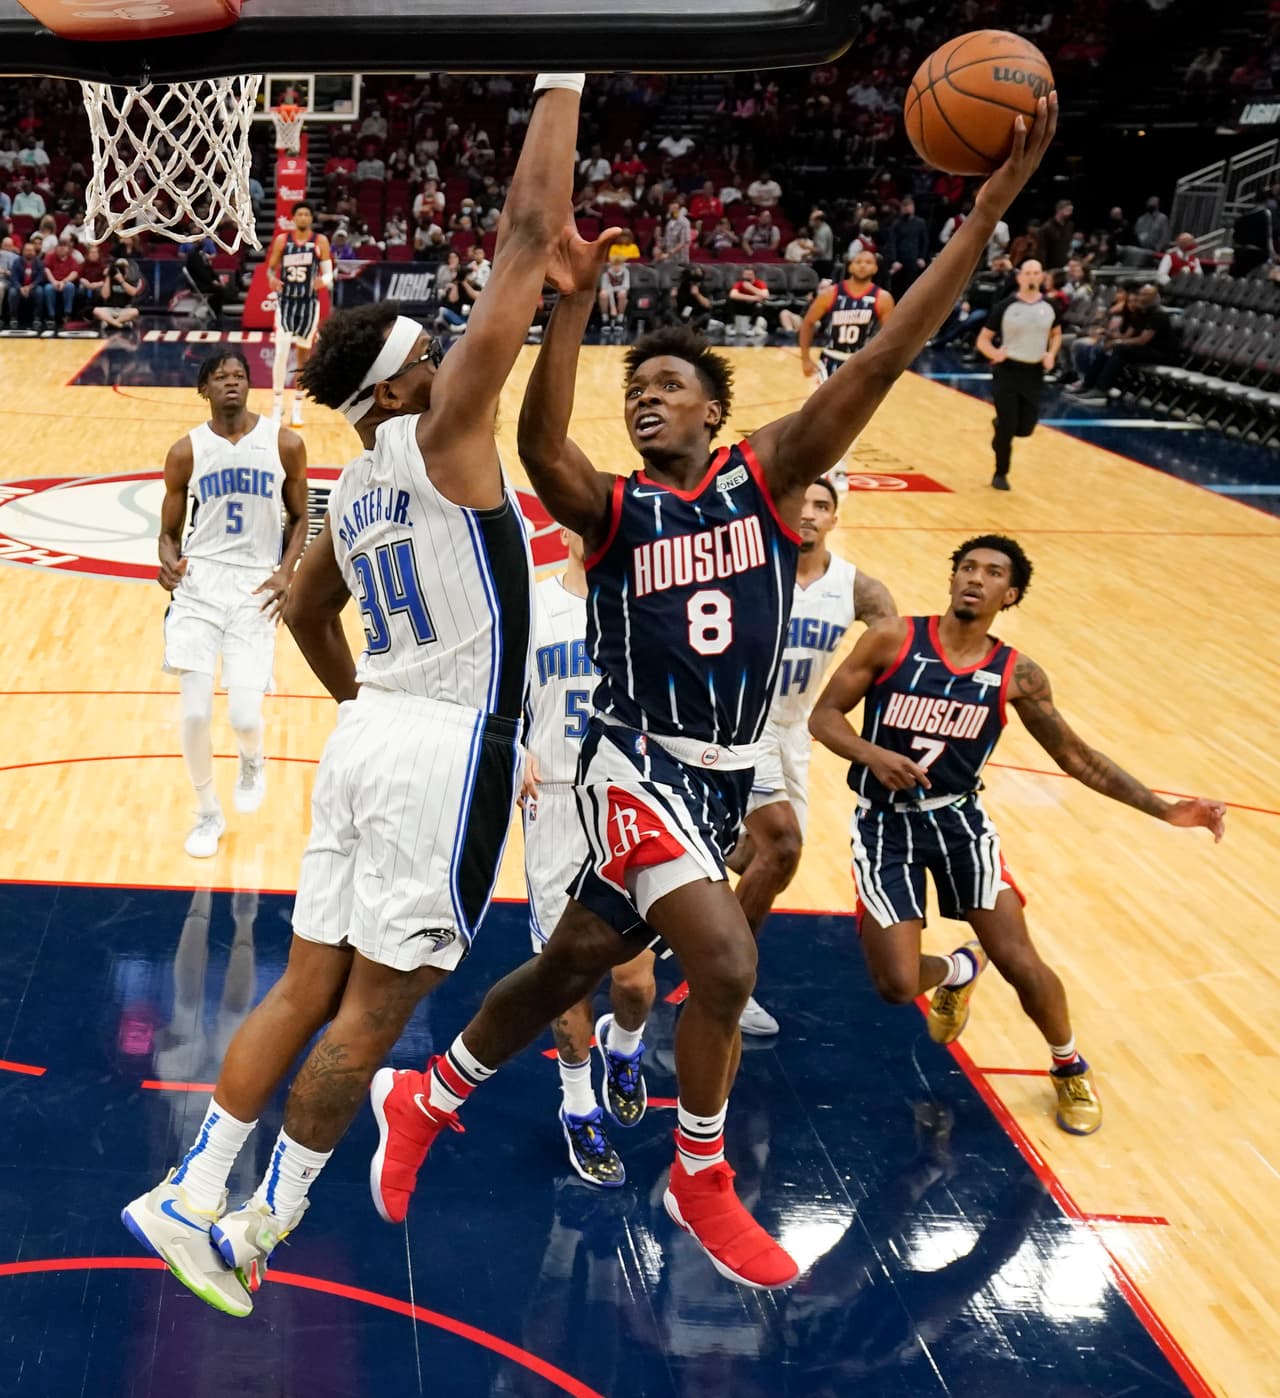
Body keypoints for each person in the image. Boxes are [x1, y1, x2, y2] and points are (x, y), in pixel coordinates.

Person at [366, 96, 1062, 1292]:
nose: (649, 397)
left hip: (726, 776)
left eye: (672, 384)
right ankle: (699, 1175)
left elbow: (885, 352)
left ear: (714, 411)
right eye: (638, 388)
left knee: (570, 963)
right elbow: (543, 452)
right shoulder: (618, 508)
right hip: (631, 763)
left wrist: (987, 211)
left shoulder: (769, 475)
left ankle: (424, 1095)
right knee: (728, 964)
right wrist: (571, 306)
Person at [121, 71, 592, 1318]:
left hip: (379, 730)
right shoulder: (439, 438)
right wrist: (563, 73)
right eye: (436, 356)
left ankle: (192, 1191)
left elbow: (305, 605)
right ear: (397, 384)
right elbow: (526, 236)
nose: (455, 361)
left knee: (305, 985)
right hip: (439, 746)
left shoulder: (359, 482)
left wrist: (368, 713)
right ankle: (259, 1222)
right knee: (378, 1008)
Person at [808, 535, 1225, 1136]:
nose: (975, 579)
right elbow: (825, 717)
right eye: (967, 568)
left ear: (1011, 594)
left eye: (992, 573)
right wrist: (872, 753)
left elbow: (1078, 758)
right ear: (952, 579)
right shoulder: (894, 639)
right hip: (884, 826)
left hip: (959, 825)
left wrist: (1165, 810)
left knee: (1018, 959)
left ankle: (1068, 1065)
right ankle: (956, 972)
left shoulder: (1017, 674)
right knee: (897, 985)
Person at [730, 476, 897, 1035]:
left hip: (794, 731)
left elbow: (894, 639)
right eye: (799, 503)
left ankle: (684, 922)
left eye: (821, 506)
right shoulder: (747, 567)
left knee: (754, 858)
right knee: (781, 850)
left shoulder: (855, 587)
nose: (808, 513)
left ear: (834, 518)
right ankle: (730, 980)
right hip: (733, 725)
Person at [523, 529, 658, 1185]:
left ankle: (625, 1046)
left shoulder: (644, 604)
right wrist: (513, 747)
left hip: (629, 805)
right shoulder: (532, 604)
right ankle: (578, 1106)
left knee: (634, 982)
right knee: (565, 974)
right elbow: (497, 699)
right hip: (553, 805)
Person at [154, 351, 308, 858]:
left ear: (251, 384)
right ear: (205, 389)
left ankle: (252, 758)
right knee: (195, 716)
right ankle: (206, 813)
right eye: (220, 378)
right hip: (200, 587)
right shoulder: (186, 451)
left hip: (254, 590)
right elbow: (168, 534)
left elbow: (301, 519)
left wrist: (286, 573)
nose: (231, 384)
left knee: (244, 715)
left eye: (239, 376)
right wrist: (167, 564)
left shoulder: (285, 443)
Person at [975, 258, 1060, 490]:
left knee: (1025, 428)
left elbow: (1056, 334)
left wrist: (1051, 354)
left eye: (1036, 272)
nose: (1032, 276)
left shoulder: (1051, 306)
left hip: (1033, 373)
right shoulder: (1005, 306)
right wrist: (994, 353)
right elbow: (983, 340)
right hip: (1008, 371)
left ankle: (1000, 426)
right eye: (1028, 272)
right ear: (1019, 277)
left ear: (1042, 276)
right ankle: (1001, 473)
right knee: (1009, 425)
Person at [266, 202, 333, 427]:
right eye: (300, 214)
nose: (303, 217)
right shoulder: (282, 241)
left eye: (307, 214)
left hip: (308, 305)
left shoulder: (320, 241)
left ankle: (297, 407)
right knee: (281, 353)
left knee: (304, 356)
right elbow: (269, 268)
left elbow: (329, 275)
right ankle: (277, 406)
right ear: (293, 218)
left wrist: (321, 281)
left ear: (311, 218)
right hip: (286, 303)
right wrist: (272, 279)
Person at [798, 250, 895, 382]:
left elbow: (890, 337)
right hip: (830, 359)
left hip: (863, 362)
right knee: (826, 402)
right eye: (858, 262)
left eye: (868, 262)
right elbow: (808, 323)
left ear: (875, 268)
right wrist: (805, 359)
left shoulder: (883, 298)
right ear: (850, 267)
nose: (862, 266)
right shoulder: (830, 293)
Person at [1073, 282, 1173, 403]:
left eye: (1145, 294)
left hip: (1158, 353)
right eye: (1141, 294)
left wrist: (1118, 342)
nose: (1141, 297)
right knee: (1106, 348)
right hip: (1140, 349)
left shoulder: (1159, 314)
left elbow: (1142, 340)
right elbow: (1127, 336)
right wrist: (1111, 337)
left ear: (1155, 297)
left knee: (1120, 349)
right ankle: (1087, 385)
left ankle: (1101, 390)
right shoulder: (1141, 313)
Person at [93, 255, 142, 334]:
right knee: (96, 310)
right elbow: (105, 296)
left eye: (123, 268)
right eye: (118, 268)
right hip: (110, 309)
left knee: (135, 312)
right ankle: (119, 324)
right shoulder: (110, 278)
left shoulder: (130, 278)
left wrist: (122, 281)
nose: (120, 270)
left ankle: (111, 323)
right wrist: (108, 276)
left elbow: (133, 292)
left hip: (125, 309)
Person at [597, 249, 630, 336]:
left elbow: (626, 286)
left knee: (622, 293)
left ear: (622, 265)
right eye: (614, 265)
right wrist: (612, 307)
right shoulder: (606, 274)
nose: (616, 267)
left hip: (620, 293)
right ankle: (605, 319)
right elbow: (604, 287)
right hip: (609, 294)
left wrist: (614, 289)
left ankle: (620, 319)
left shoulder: (626, 272)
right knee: (603, 294)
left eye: (618, 265)